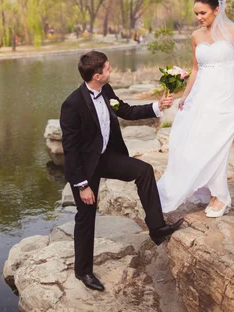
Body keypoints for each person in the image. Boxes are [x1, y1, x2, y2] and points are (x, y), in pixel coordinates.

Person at [60, 51, 184, 292]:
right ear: (97, 75)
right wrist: (82, 185)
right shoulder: (72, 104)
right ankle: (83, 271)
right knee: (86, 217)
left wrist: (156, 107)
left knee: (144, 171)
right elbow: (71, 150)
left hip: (105, 158)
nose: (111, 69)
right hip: (84, 168)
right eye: (107, 68)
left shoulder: (106, 90)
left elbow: (125, 110)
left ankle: (157, 229)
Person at [157, 0, 234, 218]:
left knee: (218, 142)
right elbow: (196, 68)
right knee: (195, 140)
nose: (199, 17)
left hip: (224, 93)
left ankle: (221, 196)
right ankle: (204, 187)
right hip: (201, 94)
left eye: (203, 12)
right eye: (196, 13)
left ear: (216, 9)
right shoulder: (196, 36)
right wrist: (186, 96)